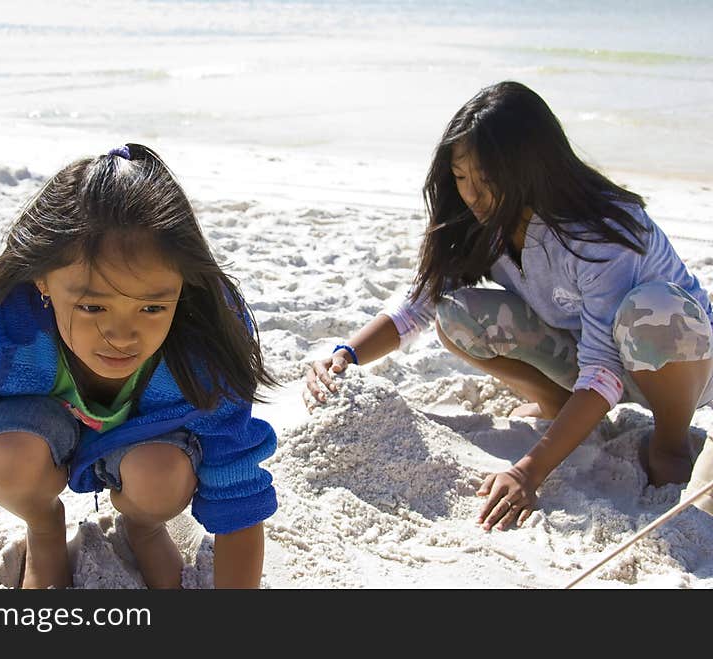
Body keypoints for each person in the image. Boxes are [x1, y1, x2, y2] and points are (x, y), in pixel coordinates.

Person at [305, 81, 713, 532]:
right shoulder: (481, 222)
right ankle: (554, 400)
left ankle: (672, 440)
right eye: (461, 178)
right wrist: (346, 354)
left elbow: (605, 368)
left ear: (530, 167)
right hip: (590, 365)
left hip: (678, 365)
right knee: (455, 314)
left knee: (650, 310)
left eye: (487, 180)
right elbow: (417, 305)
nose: (473, 195)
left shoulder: (600, 231)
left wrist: (528, 472)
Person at [0, 143, 279, 589]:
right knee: (9, 459)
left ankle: (143, 529)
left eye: (152, 308)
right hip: (32, 438)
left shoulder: (204, 343)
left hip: (152, 453)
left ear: (182, 287)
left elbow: (239, 494)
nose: (123, 335)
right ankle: (44, 530)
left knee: (160, 476)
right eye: (93, 307)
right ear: (42, 278)